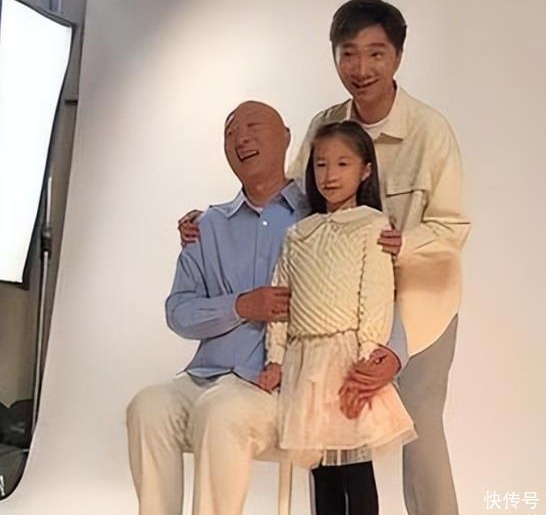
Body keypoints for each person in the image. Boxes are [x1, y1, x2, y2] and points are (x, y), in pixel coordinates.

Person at [178, 0, 471, 515]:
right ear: (335, 57)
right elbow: (293, 200)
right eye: (348, 54)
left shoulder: (430, 131)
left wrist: (402, 244)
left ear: (398, 57)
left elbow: (453, 228)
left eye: (376, 53)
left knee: (421, 428)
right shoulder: (326, 124)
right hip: (336, 313)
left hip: (418, 308)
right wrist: (216, 220)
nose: (362, 68)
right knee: (328, 433)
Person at [126, 100, 408, 515]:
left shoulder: (324, 217)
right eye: (230, 131)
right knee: (147, 407)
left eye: (254, 126)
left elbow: (378, 294)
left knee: (221, 413)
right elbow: (179, 312)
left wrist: (392, 355)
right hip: (207, 374)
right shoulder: (206, 227)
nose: (241, 138)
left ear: (287, 138)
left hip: (282, 383)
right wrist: (240, 306)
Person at [257, 121, 416, 515]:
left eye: (343, 164)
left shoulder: (371, 226)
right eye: (321, 164)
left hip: (346, 361)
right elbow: (282, 300)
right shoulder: (299, 234)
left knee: (355, 469)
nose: (330, 175)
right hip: (305, 363)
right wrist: (276, 359)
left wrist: (366, 358)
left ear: (365, 170)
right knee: (321, 470)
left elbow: (376, 297)